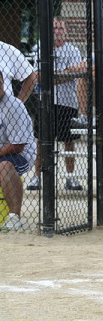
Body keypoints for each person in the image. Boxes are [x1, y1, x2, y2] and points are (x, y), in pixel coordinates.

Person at [27, 17, 83, 191]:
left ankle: (70, 177)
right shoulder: (42, 49)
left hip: (68, 103)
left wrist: (52, 76)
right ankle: (37, 177)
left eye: (60, 28)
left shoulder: (73, 50)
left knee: (68, 141)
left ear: (66, 31)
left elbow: (76, 72)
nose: (57, 31)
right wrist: (63, 74)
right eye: (54, 28)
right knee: (42, 141)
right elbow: (38, 76)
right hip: (46, 103)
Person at [0, 72, 36, 231]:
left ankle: (14, 217)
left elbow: (17, 145)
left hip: (19, 155)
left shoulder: (13, 106)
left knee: (5, 166)